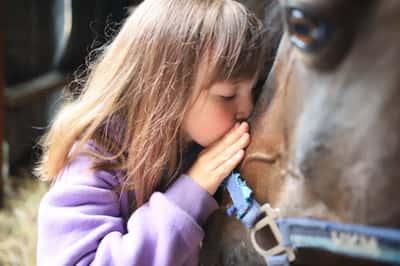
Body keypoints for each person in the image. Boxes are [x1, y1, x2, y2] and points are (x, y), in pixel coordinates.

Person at [35, 0, 266, 265]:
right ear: (167, 90)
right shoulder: (96, 155)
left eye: (254, 88)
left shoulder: (197, 144)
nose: (247, 109)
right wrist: (191, 193)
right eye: (227, 95)